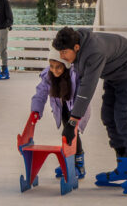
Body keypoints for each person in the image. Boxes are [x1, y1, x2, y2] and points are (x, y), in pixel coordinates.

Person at [51, 26, 127, 194]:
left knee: (124, 119)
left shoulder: (94, 53)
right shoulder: (77, 41)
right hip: (114, 74)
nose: (61, 56)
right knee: (108, 116)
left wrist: (72, 121)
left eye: (64, 52)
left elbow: (87, 88)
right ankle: (125, 167)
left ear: (76, 48)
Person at [29, 48, 90, 180]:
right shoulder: (48, 75)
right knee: (65, 133)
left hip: (77, 107)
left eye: (58, 67)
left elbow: (82, 95)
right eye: (51, 66)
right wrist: (36, 110)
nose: (54, 70)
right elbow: (41, 92)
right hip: (61, 107)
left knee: (73, 133)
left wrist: (76, 116)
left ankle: (79, 164)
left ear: (66, 65)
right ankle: (69, 161)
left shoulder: (75, 75)